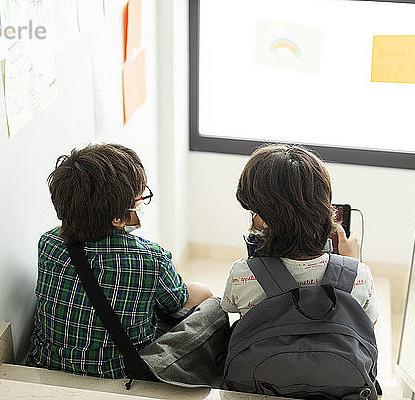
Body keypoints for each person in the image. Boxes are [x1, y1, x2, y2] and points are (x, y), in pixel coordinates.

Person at [27, 144, 212, 378]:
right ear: (117, 218)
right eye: (139, 198)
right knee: (202, 293)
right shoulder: (151, 258)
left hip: (46, 365)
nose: (140, 203)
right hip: (119, 373)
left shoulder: (48, 243)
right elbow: (175, 304)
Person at [220, 144, 378, 324]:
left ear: (265, 220)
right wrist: (351, 265)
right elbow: (368, 325)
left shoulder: (241, 274)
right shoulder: (360, 275)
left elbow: (229, 306)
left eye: (252, 213)